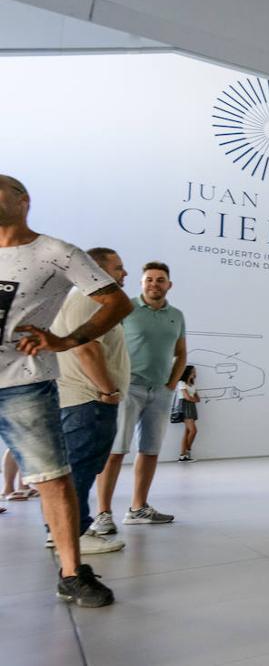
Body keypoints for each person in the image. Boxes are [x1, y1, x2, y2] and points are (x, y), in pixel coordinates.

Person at [0, 173, 133, 606]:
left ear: (23, 200)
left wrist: (66, 341)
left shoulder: (54, 253)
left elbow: (116, 301)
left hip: (22, 381)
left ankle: (72, 573)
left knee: (54, 479)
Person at [94, 261, 186, 532]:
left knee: (150, 451)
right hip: (127, 387)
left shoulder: (177, 315)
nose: (154, 284)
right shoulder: (126, 308)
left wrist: (170, 384)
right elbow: (104, 345)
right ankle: (102, 513)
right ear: (141, 283)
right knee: (115, 451)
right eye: (149, 279)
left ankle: (138, 508)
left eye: (160, 280)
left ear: (169, 285)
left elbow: (181, 352)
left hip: (159, 391)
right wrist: (110, 383)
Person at [51, 246, 131, 554]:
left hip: (84, 399)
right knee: (81, 467)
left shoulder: (78, 300)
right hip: (90, 399)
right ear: (98, 271)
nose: (124, 273)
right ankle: (75, 533)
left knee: (79, 466)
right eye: (118, 267)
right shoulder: (91, 300)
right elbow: (87, 349)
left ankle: (59, 532)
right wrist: (107, 390)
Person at [173, 365, 200, 462]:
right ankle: (187, 451)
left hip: (191, 407)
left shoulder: (192, 385)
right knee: (193, 431)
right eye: (194, 371)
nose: (195, 373)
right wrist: (192, 398)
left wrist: (192, 398)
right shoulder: (181, 383)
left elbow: (198, 399)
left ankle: (182, 455)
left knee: (188, 432)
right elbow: (187, 397)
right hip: (184, 406)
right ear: (188, 372)